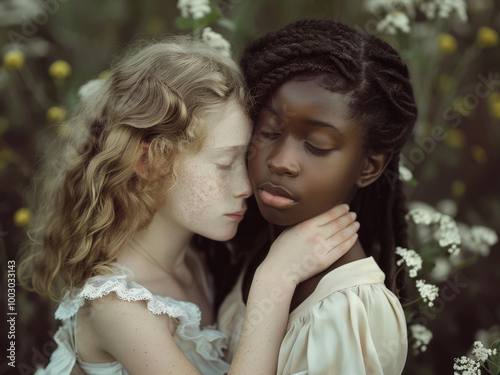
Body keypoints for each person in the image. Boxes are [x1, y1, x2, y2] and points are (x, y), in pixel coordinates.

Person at [18, 37, 360, 375]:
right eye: (225, 165)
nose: (245, 187)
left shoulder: (197, 259)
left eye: (247, 159)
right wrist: (274, 281)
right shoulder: (119, 305)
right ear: (149, 162)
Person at [217, 18, 418, 374]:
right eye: (268, 130)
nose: (280, 162)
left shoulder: (345, 311)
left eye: (317, 145)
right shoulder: (263, 249)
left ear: (368, 166)